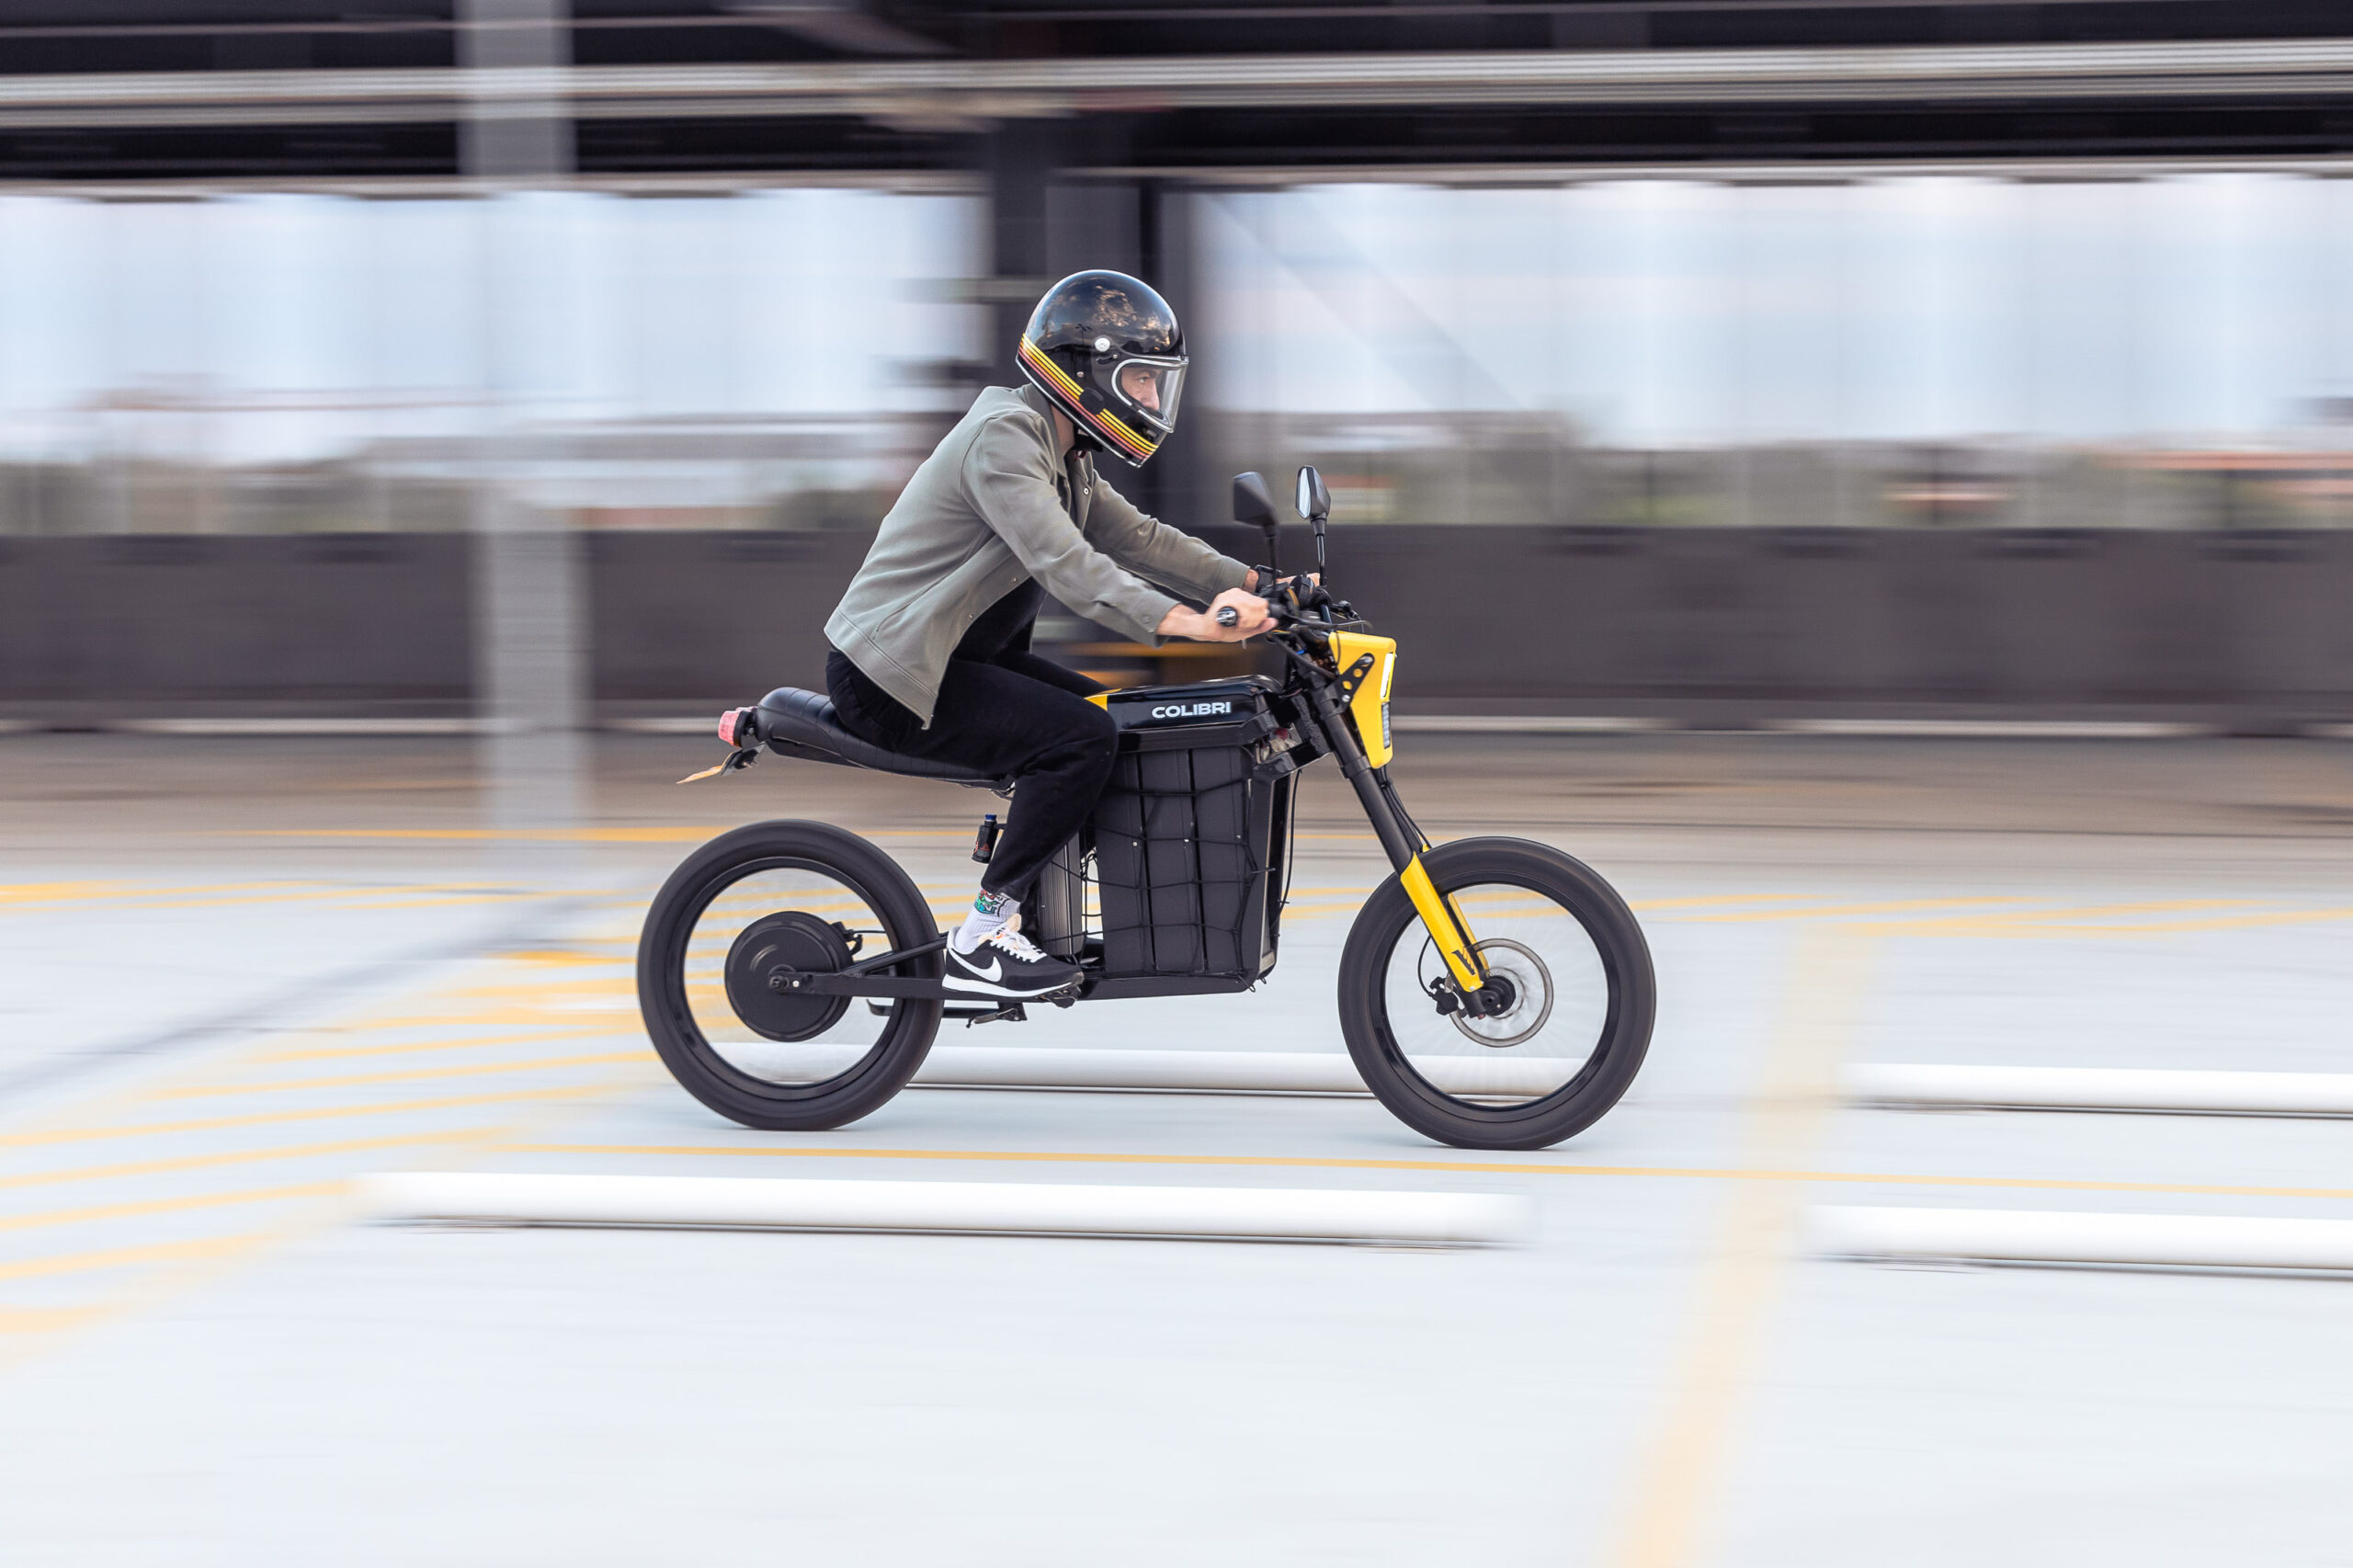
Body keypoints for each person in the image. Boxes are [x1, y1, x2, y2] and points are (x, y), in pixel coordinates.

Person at [824, 270, 1279, 1002]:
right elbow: (1065, 564)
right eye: (1140, 381)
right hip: (892, 675)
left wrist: (1261, 585)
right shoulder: (1006, 440)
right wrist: (1188, 623)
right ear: (1085, 372)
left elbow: (1143, 540)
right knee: (1078, 739)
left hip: (955, 665)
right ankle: (981, 937)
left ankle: (1032, 902)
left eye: (1159, 385)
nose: (1152, 402)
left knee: (1111, 722)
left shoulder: (1065, 454)